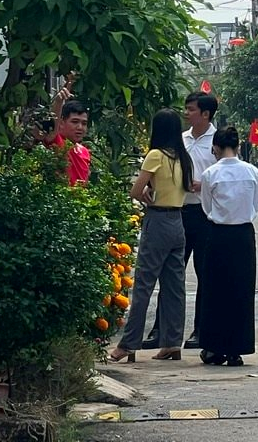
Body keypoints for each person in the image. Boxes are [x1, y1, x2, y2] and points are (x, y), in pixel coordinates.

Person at [109, 110, 193, 363]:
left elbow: (135, 190)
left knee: (144, 285)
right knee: (174, 287)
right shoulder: (183, 157)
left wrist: (146, 191)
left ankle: (128, 344)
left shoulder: (155, 155)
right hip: (178, 221)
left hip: (157, 221)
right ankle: (172, 342)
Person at [144, 91, 217, 350]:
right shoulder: (180, 140)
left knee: (205, 274)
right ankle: (161, 331)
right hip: (177, 212)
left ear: (205, 114)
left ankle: (200, 330)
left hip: (204, 214)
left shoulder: (217, 142)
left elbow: (226, 175)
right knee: (170, 275)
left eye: (191, 109)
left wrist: (203, 185)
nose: (186, 113)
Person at [198, 126, 258, 367]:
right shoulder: (252, 171)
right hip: (244, 235)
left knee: (215, 292)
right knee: (241, 291)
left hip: (218, 234)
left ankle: (215, 347)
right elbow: (257, 204)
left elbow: (206, 207)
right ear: (237, 147)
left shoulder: (210, 174)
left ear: (215, 147)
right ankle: (238, 349)